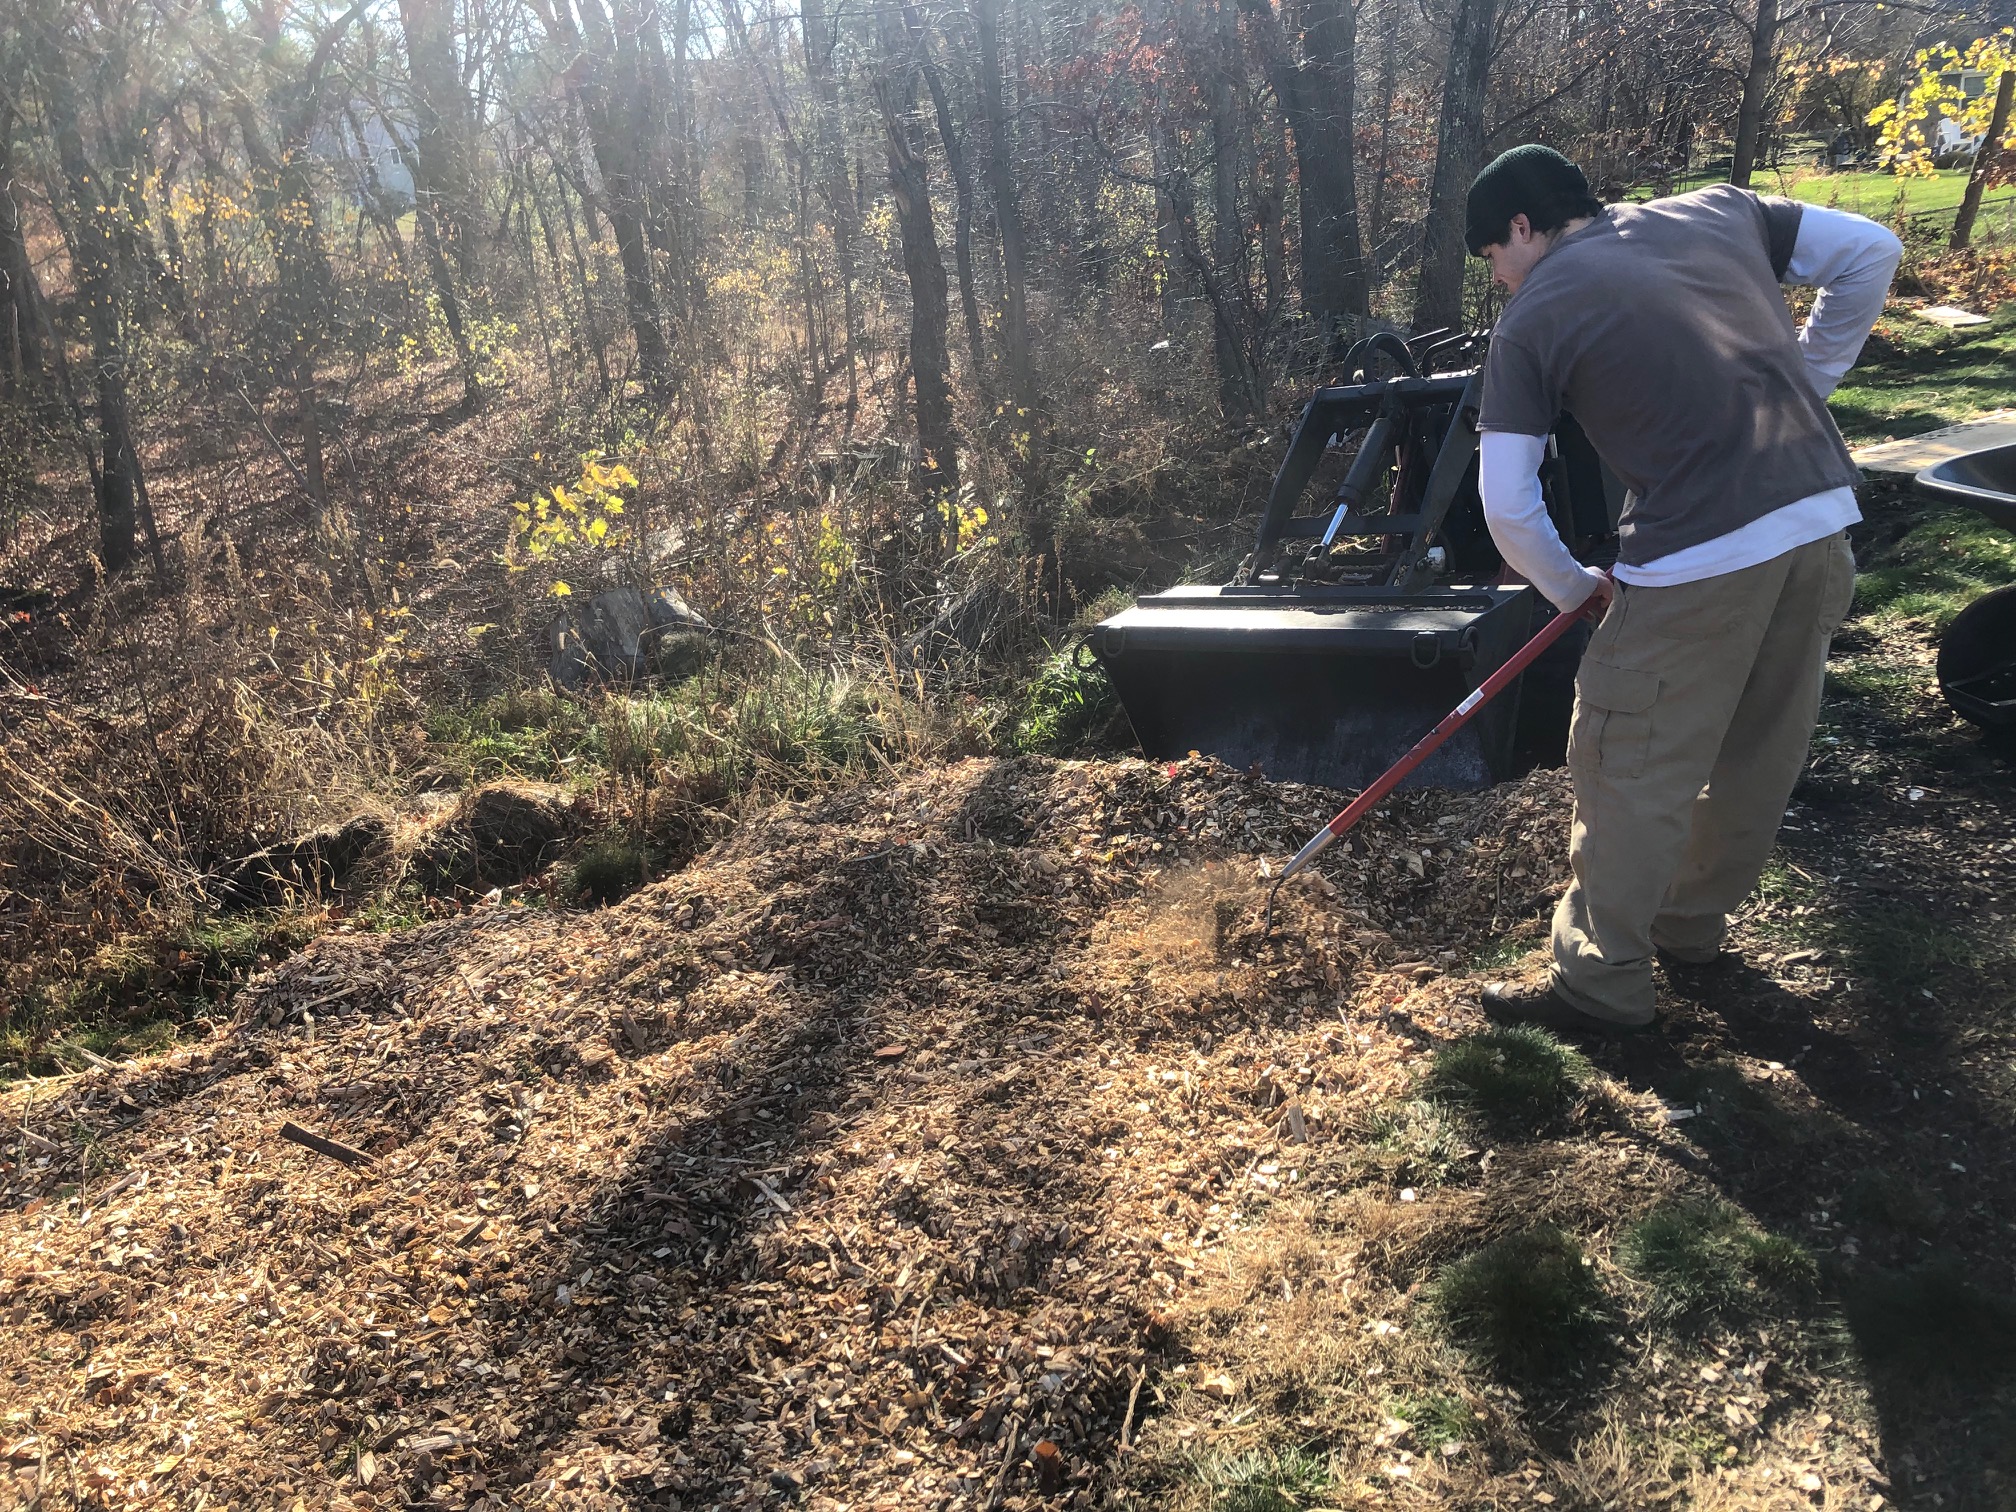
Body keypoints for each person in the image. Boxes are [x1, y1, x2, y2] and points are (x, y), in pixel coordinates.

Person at [1464, 144, 1902, 1034]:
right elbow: (1873, 252)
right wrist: (1807, 385)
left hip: (1697, 559)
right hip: (1818, 525)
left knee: (1626, 766)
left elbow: (1506, 503)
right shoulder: (1718, 210)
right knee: (1758, 749)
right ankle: (1688, 925)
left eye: (1492, 258)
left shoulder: (1537, 314)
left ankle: (1598, 986)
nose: (1500, 278)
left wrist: (1571, 589)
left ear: (1520, 224)